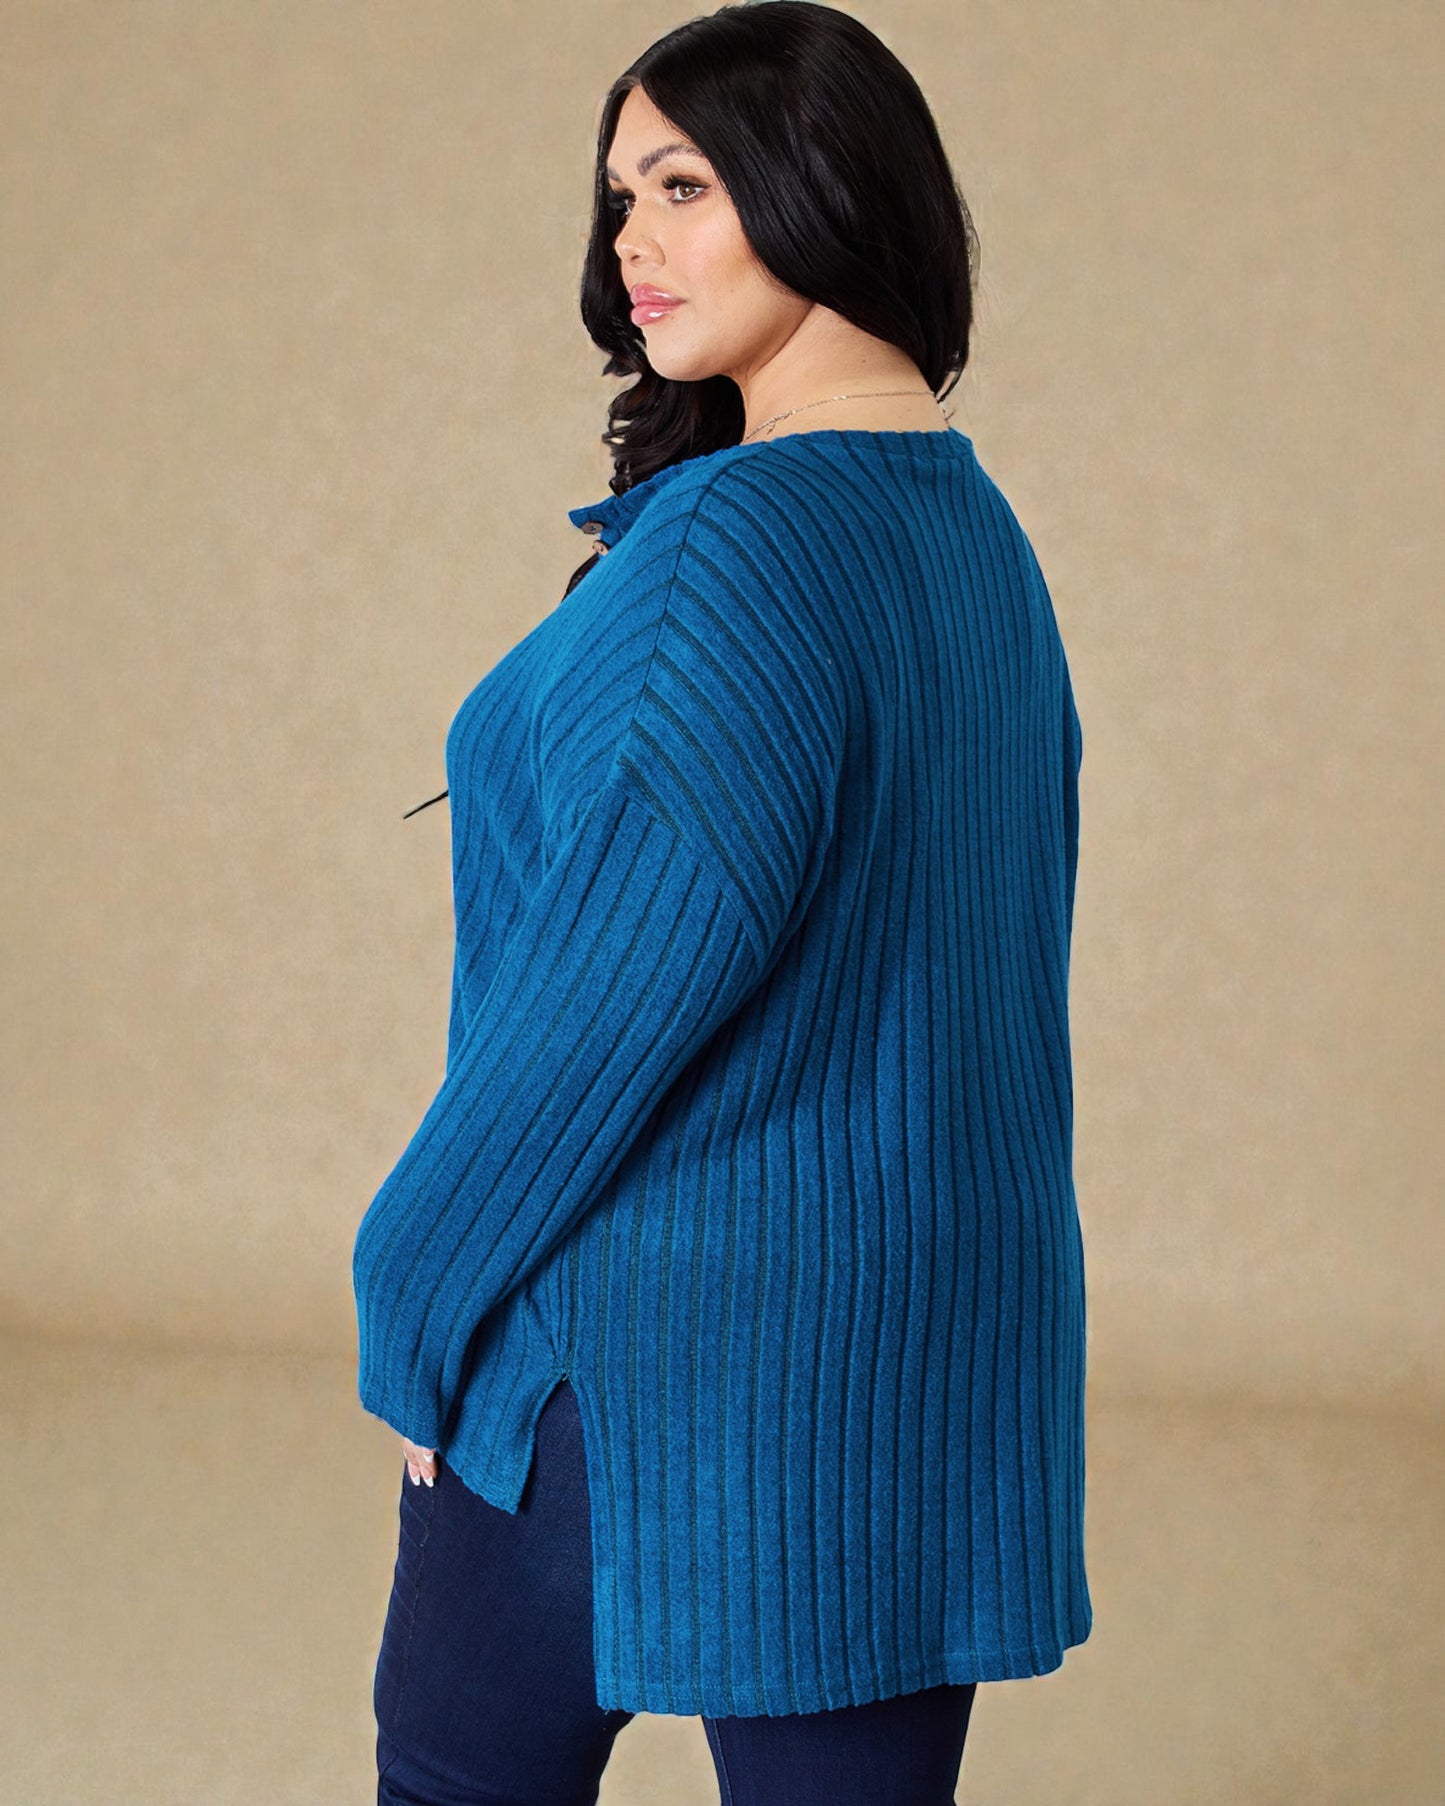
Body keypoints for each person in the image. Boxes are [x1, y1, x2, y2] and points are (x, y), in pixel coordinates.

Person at [352, 4, 1092, 1801]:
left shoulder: (738, 544)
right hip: (929, 1362)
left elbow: (599, 1013)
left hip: (638, 1368)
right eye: (619, 195)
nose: (632, 242)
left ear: (823, 184)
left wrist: (412, 1300)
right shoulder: (972, 534)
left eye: (682, 184)